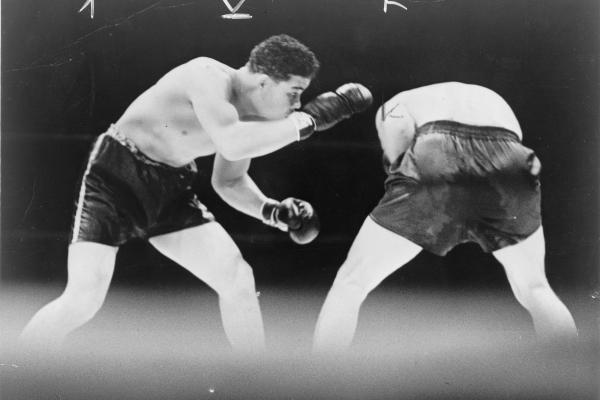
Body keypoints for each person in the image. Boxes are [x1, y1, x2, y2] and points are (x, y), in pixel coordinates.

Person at [19, 34, 373, 354]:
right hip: (116, 179)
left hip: (170, 189)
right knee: (82, 299)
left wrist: (272, 211)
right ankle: (17, 369)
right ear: (264, 81)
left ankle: (257, 383)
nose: (298, 104)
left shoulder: (256, 122)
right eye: (294, 93)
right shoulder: (206, 75)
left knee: (237, 278)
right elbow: (232, 141)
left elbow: (230, 181)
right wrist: (309, 121)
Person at [312, 81, 578, 352]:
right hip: (512, 159)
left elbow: (398, 127)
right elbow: (501, 146)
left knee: (351, 282)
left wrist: (396, 165)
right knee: (535, 288)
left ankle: (317, 387)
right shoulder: (484, 96)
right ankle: (575, 379)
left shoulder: (394, 102)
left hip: (438, 152)